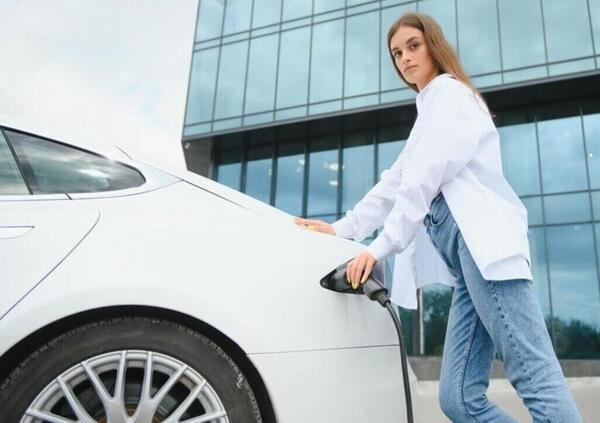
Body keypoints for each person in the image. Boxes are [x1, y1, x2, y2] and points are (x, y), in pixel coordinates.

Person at [294, 11, 582, 423]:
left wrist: (378, 248)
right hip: (467, 265)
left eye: (413, 46)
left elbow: (421, 182)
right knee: (459, 398)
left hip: (484, 249)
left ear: (434, 46)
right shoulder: (428, 109)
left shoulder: (449, 94)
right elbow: (395, 182)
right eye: (396, 53)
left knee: (533, 374)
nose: (405, 59)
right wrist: (342, 228)